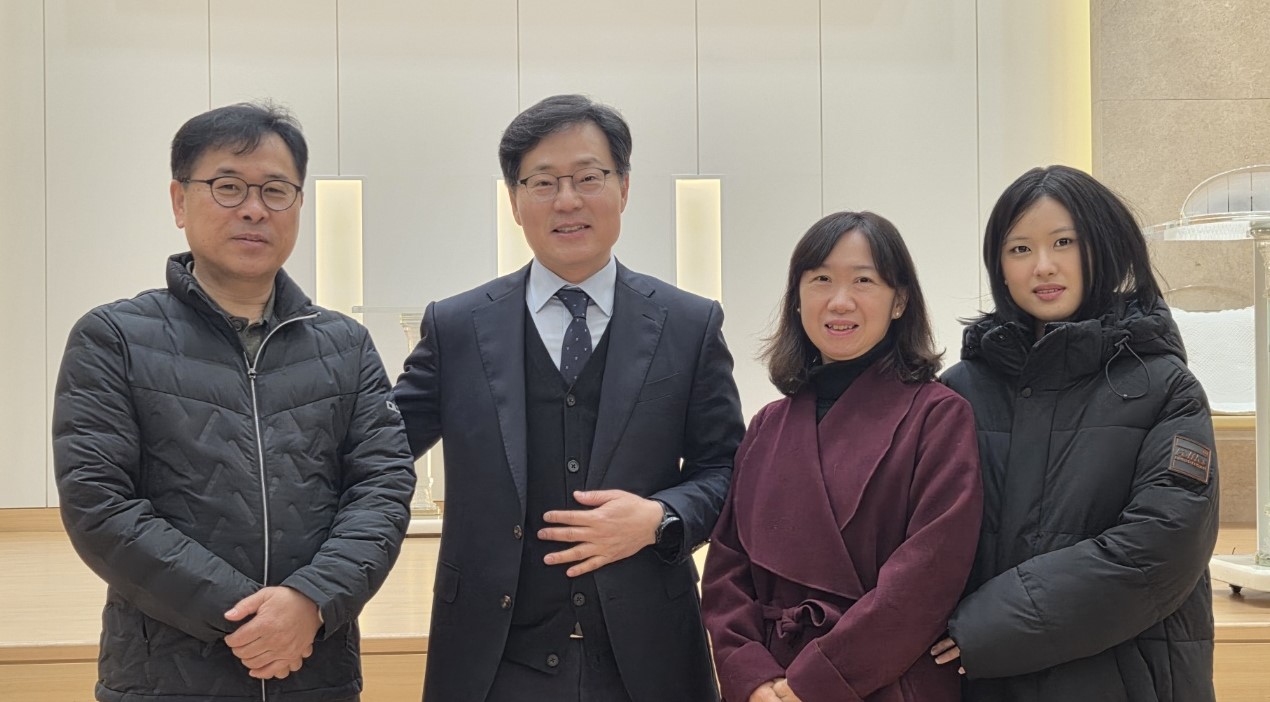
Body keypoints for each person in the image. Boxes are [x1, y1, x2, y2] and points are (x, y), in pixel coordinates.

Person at [52, 102, 416, 702]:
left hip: (315, 669)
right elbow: (99, 504)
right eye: (228, 187)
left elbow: (382, 485)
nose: (254, 209)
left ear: (298, 204)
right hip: (164, 676)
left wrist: (310, 601)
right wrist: (252, 617)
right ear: (179, 201)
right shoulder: (114, 338)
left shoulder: (345, 345)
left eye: (275, 190)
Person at [392, 93, 745, 702]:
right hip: (492, 660)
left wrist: (660, 517)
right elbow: (382, 451)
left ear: (624, 188)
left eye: (588, 177)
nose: (567, 200)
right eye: (543, 182)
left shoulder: (689, 324)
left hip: (648, 656)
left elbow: (727, 469)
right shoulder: (456, 327)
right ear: (514, 201)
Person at [930, 165, 1219, 701]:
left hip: (1121, 677)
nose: (1043, 265)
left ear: (1103, 247)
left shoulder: (1165, 387)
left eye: (1064, 242)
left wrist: (989, 628)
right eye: (1020, 249)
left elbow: (1160, 548)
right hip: (980, 681)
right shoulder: (958, 390)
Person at [701, 211, 984, 702]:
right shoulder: (767, 424)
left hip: (885, 679)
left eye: (863, 281)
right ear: (797, 298)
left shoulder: (939, 416)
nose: (839, 300)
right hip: (769, 683)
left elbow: (927, 580)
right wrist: (751, 676)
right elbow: (727, 569)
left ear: (900, 301)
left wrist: (813, 684)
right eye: (821, 280)